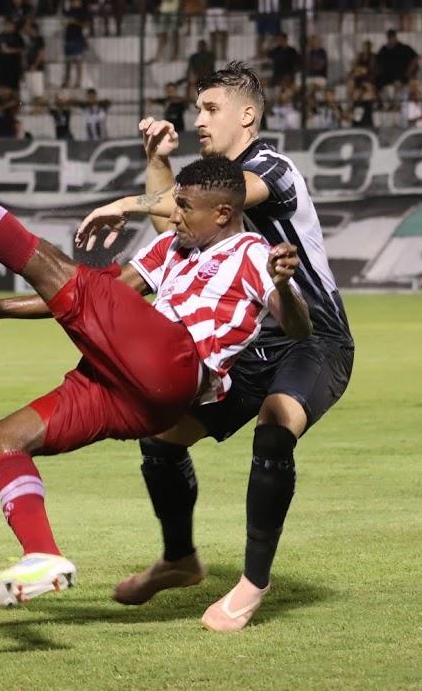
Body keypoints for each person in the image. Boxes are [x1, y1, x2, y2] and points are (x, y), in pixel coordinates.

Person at [0, 88, 310, 607]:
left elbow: (299, 331)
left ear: (222, 214)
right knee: (3, 440)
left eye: (185, 208)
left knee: (49, 264)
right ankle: (42, 555)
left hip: (176, 366)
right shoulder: (172, 246)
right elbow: (96, 296)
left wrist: (284, 284)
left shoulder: (253, 253)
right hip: (132, 392)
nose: (174, 216)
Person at [76, 62, 354, 632]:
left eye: (211, 109)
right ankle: (180, 558)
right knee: (160, 435)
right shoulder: (208, 191)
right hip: (254, 338)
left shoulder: (271, 167)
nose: (199, 120)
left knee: (276, 423)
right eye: (197, 109)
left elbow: (209, 200)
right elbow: (181, 228)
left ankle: (253, 584)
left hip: (314, 336)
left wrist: (127, 201)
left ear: (247, 115)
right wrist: (157, 161)